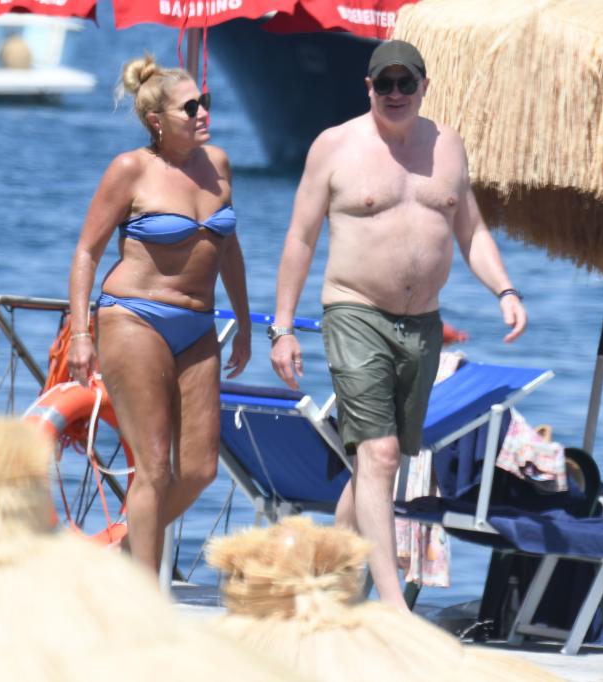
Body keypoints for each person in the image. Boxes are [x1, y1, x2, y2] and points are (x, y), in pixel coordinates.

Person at [269, 40, 527, 609]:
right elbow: (300, 238)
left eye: (404, 83)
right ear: (368, 87)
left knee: (375, 467)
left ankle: (321, 584)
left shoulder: (448, 147)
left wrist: (505, 290)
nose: (394, 94)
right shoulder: (335, 146)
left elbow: (473, 233)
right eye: (383, 83)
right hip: (355, 312)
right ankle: (392, 608)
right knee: (381, 455)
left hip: (423, 325)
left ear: (423, 87)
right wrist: (282, 327)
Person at [67, 56, 251, 573]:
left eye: (205, 102)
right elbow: (86, 253)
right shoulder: (131, 169)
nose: (202, 113)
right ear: (156, 120)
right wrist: (82, 333)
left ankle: (120, 556)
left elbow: (229, 249)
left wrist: (244, 321)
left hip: (200, 325)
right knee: (153, 469)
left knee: (199, 469)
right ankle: (143, 602)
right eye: (189, 107)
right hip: (134, 318)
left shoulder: (217, 164)